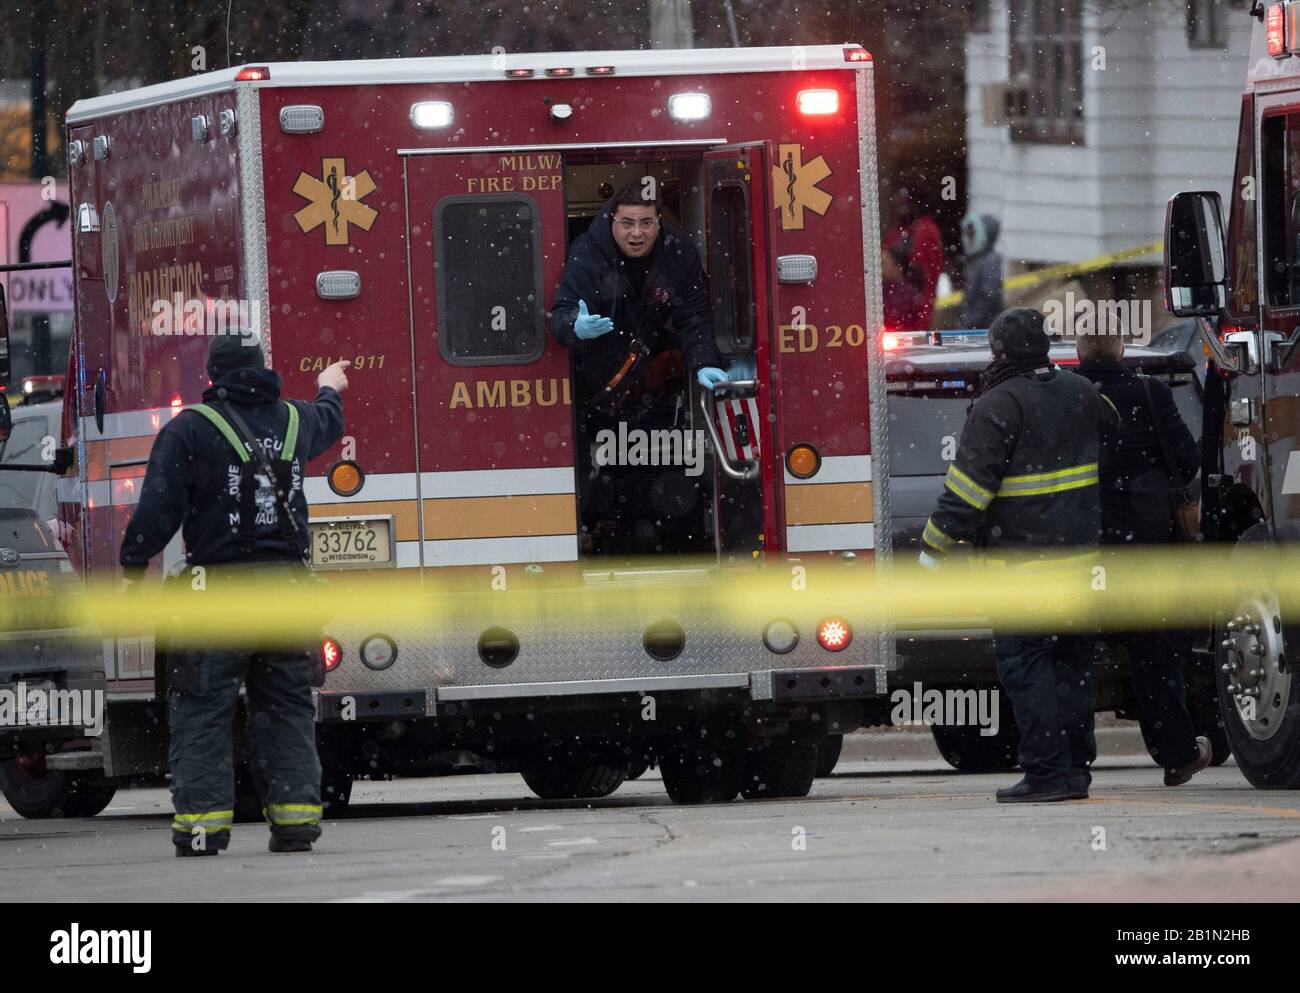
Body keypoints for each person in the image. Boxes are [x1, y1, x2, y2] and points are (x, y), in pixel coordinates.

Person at [119, 331, 348, 856]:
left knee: (203, 710)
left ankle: (203, 829)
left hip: (216, 598)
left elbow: (158, 510)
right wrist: (328, 387)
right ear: (262, 368)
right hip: (288, 595)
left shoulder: (191, 431)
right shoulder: (296, 420)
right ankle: (295, 824)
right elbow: (328, 421)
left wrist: (133, 569)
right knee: (287, 709)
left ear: (213, 377)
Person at [919, 307, 1119, 802]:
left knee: (1027, 668)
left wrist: (933, 547)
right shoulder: (1082, 393)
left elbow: (966, 493)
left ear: (999, 352)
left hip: (1021, 569)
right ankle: (1075, 773)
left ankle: (1046, 775)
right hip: (1080, 564)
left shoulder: (996, 405)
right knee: (1072, 666)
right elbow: (1113, 435)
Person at [1075, 330, 1212, 786]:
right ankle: (1176, 754)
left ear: (1079, 355)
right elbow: (1189, 460)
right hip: (1145, 545)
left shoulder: (1065, 395)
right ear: (1121, 352)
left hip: (1079, 545)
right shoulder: (1150, 393)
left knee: (1071, 658)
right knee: (1155, 658)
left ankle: (1072, 762)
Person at [885, 186, 944, 329]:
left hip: (913, 301)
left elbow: (925, 273)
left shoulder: (925, 230)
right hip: (899, 299)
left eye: (902, 204)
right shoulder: (900, 231)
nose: (899, 209)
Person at [958, 212, 1004, 331]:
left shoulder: (989, 261)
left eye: (972, 234)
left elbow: (988, 299)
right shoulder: (978, 260)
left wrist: (967, 324)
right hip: (979, 327)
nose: (968, 239)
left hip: (983, 330)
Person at [882, 242, 926, 333]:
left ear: (898, 267)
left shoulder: (909, 293)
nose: (880, 268)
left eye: (883, 264)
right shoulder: (883, 289)